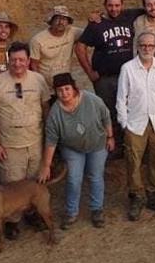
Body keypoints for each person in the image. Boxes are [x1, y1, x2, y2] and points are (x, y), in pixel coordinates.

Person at [75, 0, 155, 156]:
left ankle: (132, 146)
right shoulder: (96, 24)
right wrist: (89, 72)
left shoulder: (130, 16)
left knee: (131, 110)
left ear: (122, 5)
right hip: (105, 77)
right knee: (108, 112)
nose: (114, 9)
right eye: (110, 5)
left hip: (130, 75)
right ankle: (113, 148)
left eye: (117, 5)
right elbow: (80, 47)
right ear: (105, 6)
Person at [0, 41, 50, 239]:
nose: (17, 64)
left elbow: (46, 110)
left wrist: (48, 141)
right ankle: (12, 221)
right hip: (10, 145)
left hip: (35, 142)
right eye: (13, 60)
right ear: (8, 60)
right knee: (11, 187)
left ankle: (32, 215)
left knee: (33, 184)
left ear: (29, 60)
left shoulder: (38, 80)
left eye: (21, 59)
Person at [38, 73, 114, 229]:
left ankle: (96, 209)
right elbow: (51, 141)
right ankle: (72, 212)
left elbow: (106, 116)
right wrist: (46, 165)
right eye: (60, 90)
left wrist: (110, 136)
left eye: (67, 89)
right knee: (73, 179)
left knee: (95, 176)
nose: (64, 93)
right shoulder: (55, 113)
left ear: (74, 88)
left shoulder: (91, 100)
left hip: (97, 144)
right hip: (72, 148)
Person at [116, 32, 155, 221]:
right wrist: (125, 123)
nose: (147, 49)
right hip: (135, 123)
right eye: (143, 45)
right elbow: (121, 98)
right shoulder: (128, 68)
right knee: (134, 162)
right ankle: (136, 197)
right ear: (137, 47)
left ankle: (153, 195)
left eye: (150, 45)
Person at [30, 5, 83, 103]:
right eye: (57, 18)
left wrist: (96, 20)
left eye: (64, 19)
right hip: (47, 90)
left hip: (65, 87)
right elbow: (34, 65)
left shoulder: (72, 32)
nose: (61, 22)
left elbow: (91, 34)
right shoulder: (38, 40)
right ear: (51, 21)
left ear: (68, 22)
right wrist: (40, 88)